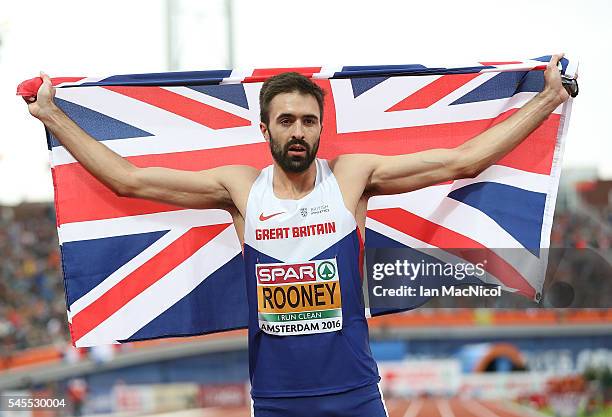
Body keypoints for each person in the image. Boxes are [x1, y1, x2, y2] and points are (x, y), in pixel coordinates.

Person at [25, 54, 570, 416]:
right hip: (279, 399)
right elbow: (127, 179)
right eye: (285, 121)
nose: (298, 132)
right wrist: (52, 114)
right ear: (265, 130)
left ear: (320, 128)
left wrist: (548, 98)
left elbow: (463, 159)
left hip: (354, 393)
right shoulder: (241, 189)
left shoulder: (353, 178)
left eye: (308, 121)